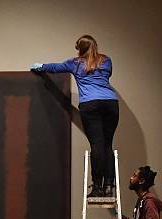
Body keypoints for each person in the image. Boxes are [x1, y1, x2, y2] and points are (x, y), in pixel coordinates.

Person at [31, 35, 119, 198]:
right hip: (111, 103)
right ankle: (108, 186)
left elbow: (55, 67)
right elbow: (108, 76)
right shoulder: (106, 61)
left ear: (80, 49)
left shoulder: (75, 63)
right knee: (107, 145)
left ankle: (98, 188)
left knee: (97, 145)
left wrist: (39, 66)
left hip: (90, 104)